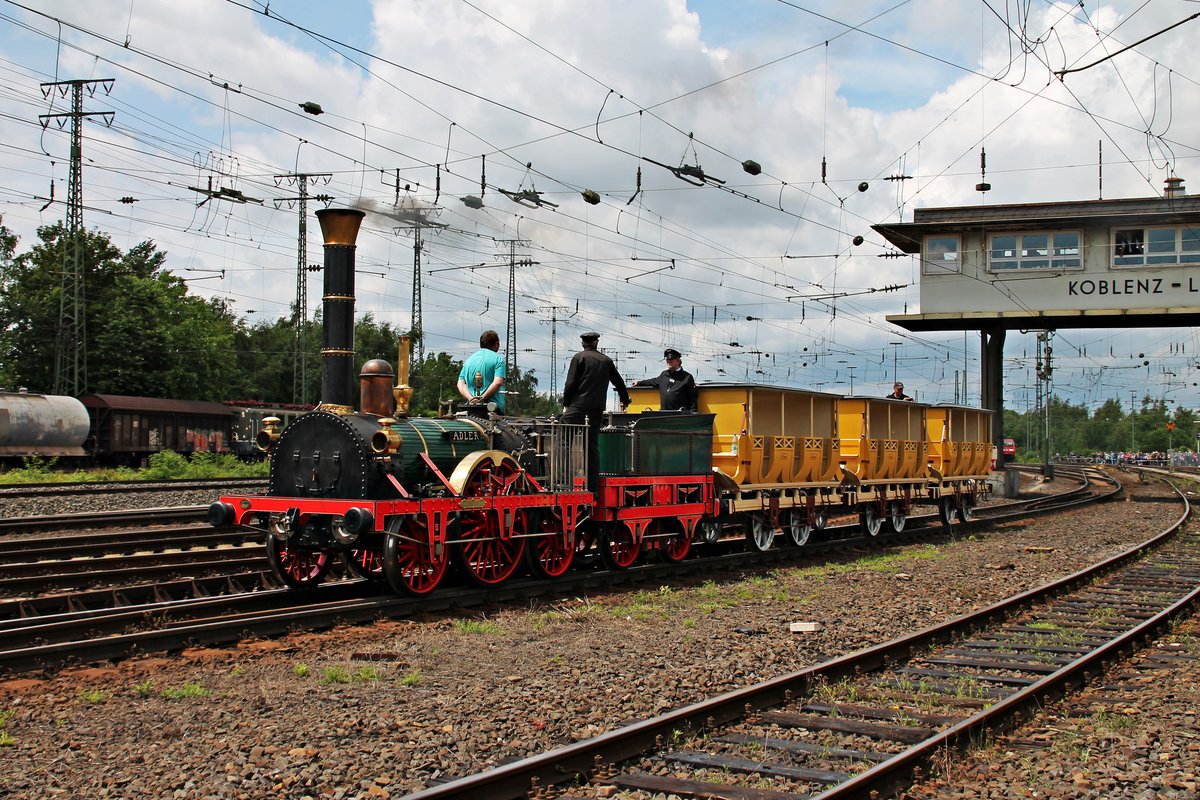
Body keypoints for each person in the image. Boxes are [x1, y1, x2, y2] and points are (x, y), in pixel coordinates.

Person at [562, 332, 631, 493]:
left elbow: (570, 383)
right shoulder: (606, 361)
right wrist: (625, 399)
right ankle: (593, 487)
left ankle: (564, 482)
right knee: (591, 446)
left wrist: (566, 404)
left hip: (577, 407)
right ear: (596, 343)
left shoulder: (578, 358)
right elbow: (619, 382)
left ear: (583, 344)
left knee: (564, 441)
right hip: (596, 410)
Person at [631, 348, 698, 411]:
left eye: (671, 360)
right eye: (667, 360)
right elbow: (653, 381)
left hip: (680, 416)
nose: (668, 362)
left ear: (678, 361)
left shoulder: (687, 377)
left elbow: (693, 398)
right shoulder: (664, 375)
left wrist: (693, 413)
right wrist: (639, 383)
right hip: (664, 414)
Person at [457, 330, 507, 413]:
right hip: (492, 409)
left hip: (470, 408)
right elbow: (498, 382)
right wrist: (482, 398)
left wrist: (471, 399)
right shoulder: (498, 359)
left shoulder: (469, 360)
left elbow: (460, 384)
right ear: (496, 343)